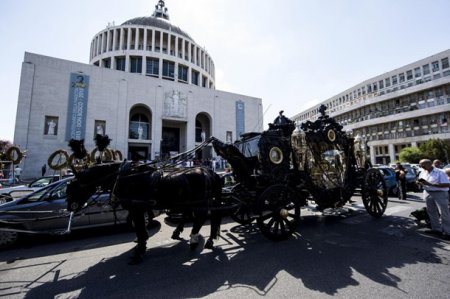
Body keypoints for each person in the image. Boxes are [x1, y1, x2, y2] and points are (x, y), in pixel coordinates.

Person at [417, 159, 450, 240]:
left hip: (440, 193)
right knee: (431, 212)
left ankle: (447, 232)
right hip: (428, 192)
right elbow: (419, 180)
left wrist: (429, 184)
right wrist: (418, 182)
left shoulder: (440, 172)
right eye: (420, 165)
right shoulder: (423, 172)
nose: (422, 167)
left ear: (429, 164)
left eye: (423, 165)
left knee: (443, 212)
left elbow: (447, 184)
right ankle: (436, 229)